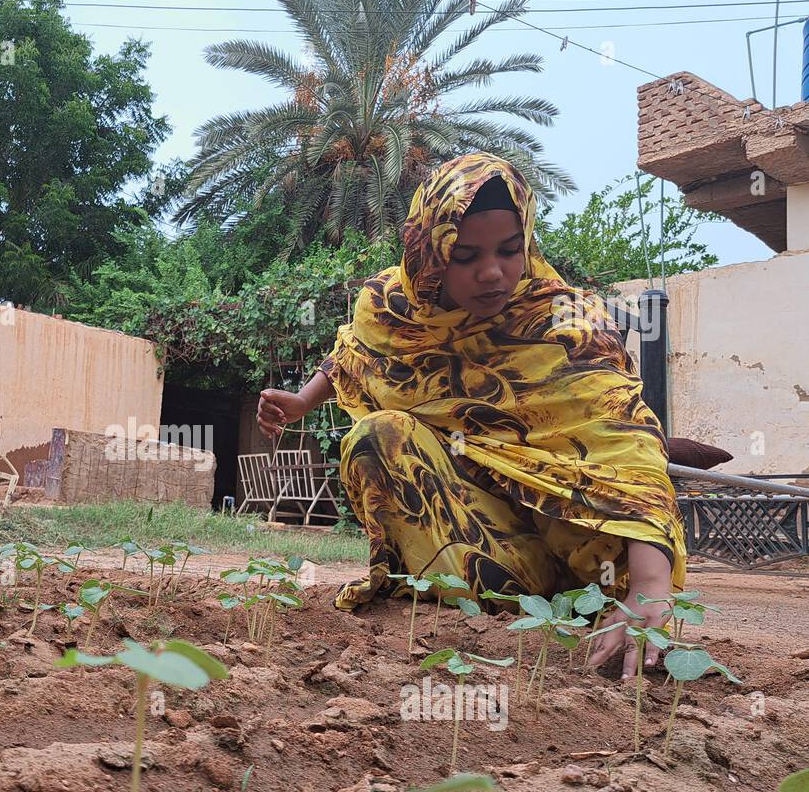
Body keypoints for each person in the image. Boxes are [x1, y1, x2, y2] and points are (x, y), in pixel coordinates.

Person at [256, 153, 685, 681]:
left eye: (510, 251)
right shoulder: (392, 306)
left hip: (583, 555)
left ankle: (597, 606)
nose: (492, 273)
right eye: (465, 255)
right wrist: (303, 400)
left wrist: (648, 585)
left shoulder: (569, 326)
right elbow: (356, 353)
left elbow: (627, 446)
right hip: (492, 548)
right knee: (379, 437)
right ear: (429, 255)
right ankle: (481, 598)